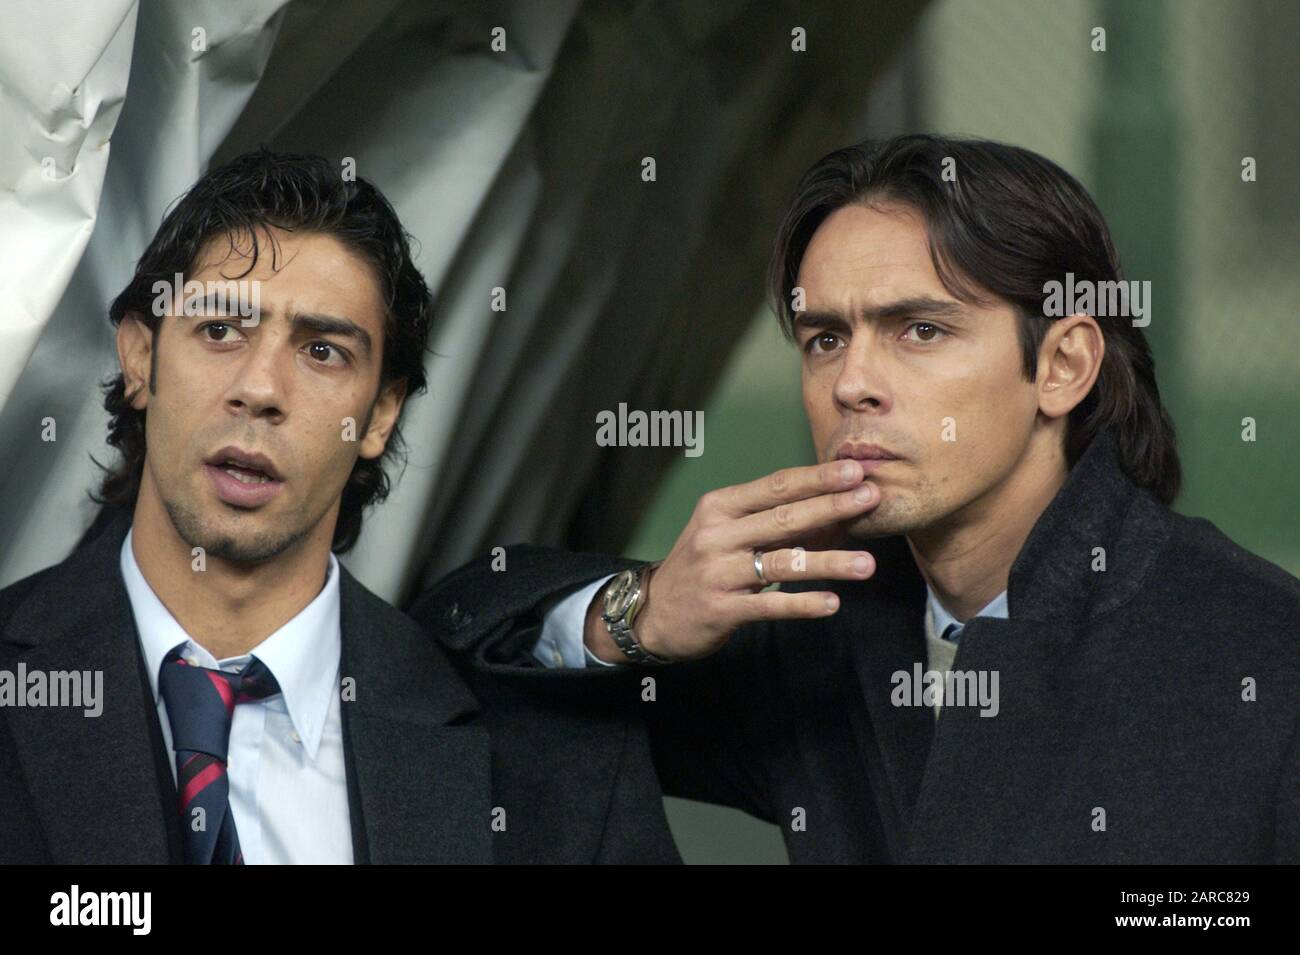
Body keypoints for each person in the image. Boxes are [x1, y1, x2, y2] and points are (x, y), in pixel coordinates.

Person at [413, 134, 1300, 864]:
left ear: (1062, 365)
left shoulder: (1258, 652)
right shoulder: (817, 627)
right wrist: (639, 615)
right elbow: (437, 653)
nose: (852, 383)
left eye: (920, 329)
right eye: (824, 338)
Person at [0, 149, 678, 864]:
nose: (260, 388)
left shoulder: (558, 775)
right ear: (140, 356)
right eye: (221, 329)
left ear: (382, 413)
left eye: (322, 351)